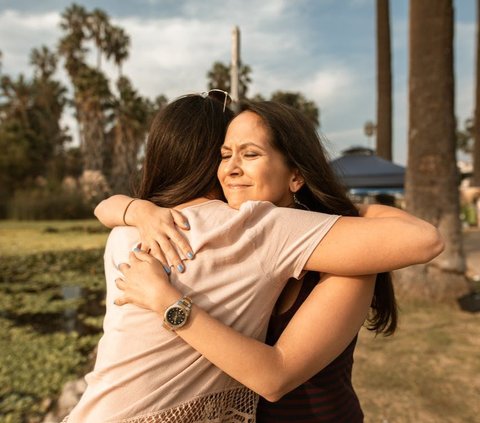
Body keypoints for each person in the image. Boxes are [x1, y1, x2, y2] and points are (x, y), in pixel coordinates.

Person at [93, 99, 444, 422]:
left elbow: (274, 377)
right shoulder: (236, 240)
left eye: (250, 155)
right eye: (224, 154)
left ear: (295, 176)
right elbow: (104, 209)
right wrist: (137, 209)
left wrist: (167, 303)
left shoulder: (342, 263)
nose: (229, 169)